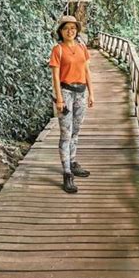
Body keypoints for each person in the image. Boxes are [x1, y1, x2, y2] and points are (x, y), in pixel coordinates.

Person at [49, 15, 94, 193]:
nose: (70, 31)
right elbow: (55, 77)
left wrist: (92, 93)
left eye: (73, 28)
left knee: (76, 131)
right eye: (66, 28)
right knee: (65, 134)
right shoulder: (58, 50)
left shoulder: (82, 47)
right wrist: (59, 99)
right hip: (66, 93)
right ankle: (67, 173)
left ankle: (73, 161)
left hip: (81, 93)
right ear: (61, 31)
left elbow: (87, 71)